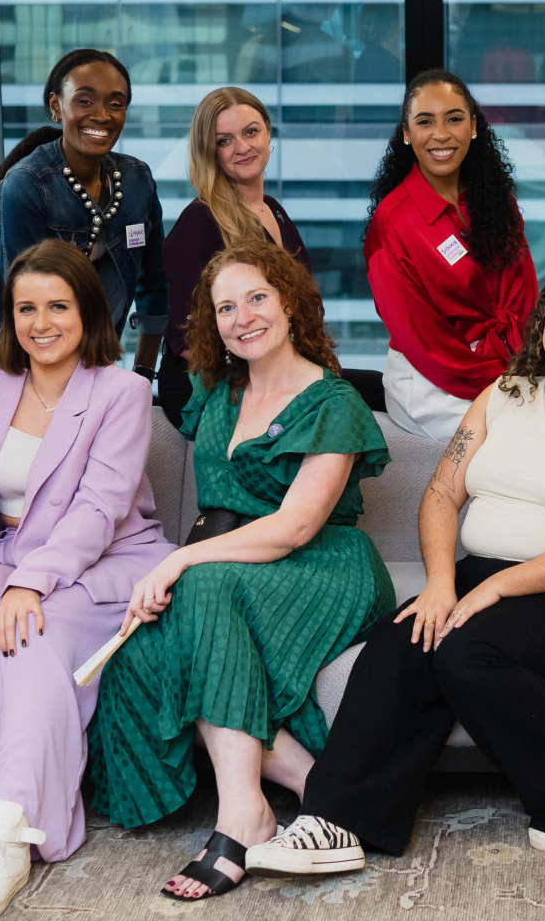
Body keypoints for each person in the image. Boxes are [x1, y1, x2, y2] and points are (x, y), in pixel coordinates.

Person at [249, 265, 545, 874]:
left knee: (464, 651)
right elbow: (442, 494)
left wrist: (488, 591)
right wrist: (442, 585)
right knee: (404, 639)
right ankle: (336, 821)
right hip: (484, 574)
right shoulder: (503, 395)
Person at [83, 239, 394, 902]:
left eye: (257, 297)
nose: (242, 316)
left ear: (289, 301)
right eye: (226, 307)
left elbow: (295, 526)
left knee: (200, 587)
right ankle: (313, 783)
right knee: (143, 651)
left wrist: (181, 556)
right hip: (231, 568)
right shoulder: (213, 392)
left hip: (324, 566)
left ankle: (242, 815)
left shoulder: (332, 400)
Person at [0, 240, 177, 921]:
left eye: (59, 306)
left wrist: (28, 584)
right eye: (27, 307)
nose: (42, 323)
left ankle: (10, 832)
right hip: (10, 555)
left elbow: (100, 510)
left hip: (104, 564)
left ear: (87, 312)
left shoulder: (120, 392)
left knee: (29, 629)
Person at [0, 49, 166, 410]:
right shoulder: (28, 185)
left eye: (116, 103)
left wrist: (141, 372)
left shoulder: (137, 181)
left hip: (82, 360)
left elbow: (154, 285)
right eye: (85, 100)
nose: (102, 115)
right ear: (56, 106)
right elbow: (29, 307)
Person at [365, 69, 537, 441]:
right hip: (434, 380)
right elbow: (424, 340)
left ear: (473, 126)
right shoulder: (392, 223)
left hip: (505, 362)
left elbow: (523, 293)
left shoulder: (495, 200)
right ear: (407, 134)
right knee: (522, 442)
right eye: (425, 122)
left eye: (454, 119)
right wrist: (495, 378)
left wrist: (520, 365)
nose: (441, 134)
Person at [161, 87, 310, 429]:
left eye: (251, 132)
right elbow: (186, 340)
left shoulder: (273, 209)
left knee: (369, 388)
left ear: (268, 133)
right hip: (211, 384)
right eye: (224, 140)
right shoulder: (200, 220)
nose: (242, 147)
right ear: (209, 151)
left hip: (272, 368)